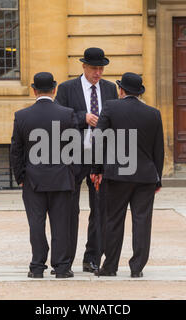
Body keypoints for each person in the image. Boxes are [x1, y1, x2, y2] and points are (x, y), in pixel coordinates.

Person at [91, 72, 165, 278]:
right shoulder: (153, 113)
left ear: (121, 90)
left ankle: (110, 266)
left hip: (118, 174)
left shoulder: (111, 107)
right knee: (142, 221)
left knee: (113, 220)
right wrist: (157, 177)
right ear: (139, 92)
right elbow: (158, 150)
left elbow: (99, 139)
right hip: (145, 176)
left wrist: (97, 169)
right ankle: (137, 267)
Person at [55, 47, 118, 273]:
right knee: (69, 209)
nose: (98, 73)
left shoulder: (111, 89)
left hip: (100, 157)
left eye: (101, 68)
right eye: (94, 68)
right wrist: (82, 117)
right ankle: (65, 259)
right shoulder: (66, 88)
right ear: (83, 67)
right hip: (74, 155)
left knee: (100, 209)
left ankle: (92, 257)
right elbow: (58, 117)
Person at [10, 72, 75, 279]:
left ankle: (37, 266)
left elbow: (16, 151)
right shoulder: (67, 113)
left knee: (36, 224)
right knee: (61, 225)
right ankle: (62, 267)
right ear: (54, 89)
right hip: (60, 177)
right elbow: (74, 149)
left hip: (33, 178)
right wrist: (70, 173)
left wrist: (20, 176)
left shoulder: (22, 116)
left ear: (34, 90)